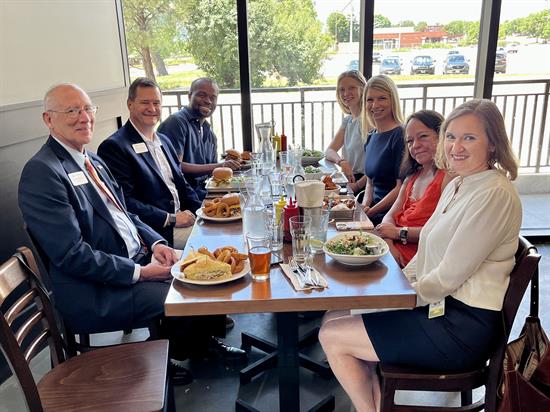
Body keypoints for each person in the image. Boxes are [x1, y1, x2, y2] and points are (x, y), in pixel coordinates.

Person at [18, 84, 246, 385]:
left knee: (203, 264)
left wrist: (157, 242)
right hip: (93, 290)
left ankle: (198, 346)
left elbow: (127, 214)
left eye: (88, 109)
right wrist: (140, 272)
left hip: (131, 257)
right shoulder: (43, 172)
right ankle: (174, 356)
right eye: (72, 111)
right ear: (48, 119)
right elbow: (71, 255)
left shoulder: (92, 160)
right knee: (188, 290)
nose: (83, 117)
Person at [319, 99, 522, 412]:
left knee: (333, 336)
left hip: (460, 326)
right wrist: (392, 289)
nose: (456, 147)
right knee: (337, 315)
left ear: (493, 143)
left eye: (470, 138)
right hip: (439, 308)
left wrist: (392, 299)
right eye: (451, 136)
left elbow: (447, 276)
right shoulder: (461, 184)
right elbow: (426, 254)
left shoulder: (493, 193)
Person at [98, 77, 201, 249]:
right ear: (130, 104)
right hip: (156, 231)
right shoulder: (115, 147)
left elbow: (181, 183)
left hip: (184, 218)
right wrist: (171, 218)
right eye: (145, 102)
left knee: (225, 225)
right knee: (215, 238)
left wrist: (204, 210)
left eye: (156, 103)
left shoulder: (165, 141)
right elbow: (125, 202)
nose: (152, 109)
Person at [375, 110, 453, 267]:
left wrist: (398, 233)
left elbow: (443, 232)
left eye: (423, 136)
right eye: (409, 141)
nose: (415, 145)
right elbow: (389, 217)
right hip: (391, 254)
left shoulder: (449, 178)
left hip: (418, 262)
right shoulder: (412, 177)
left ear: (442, 136)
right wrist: (389, 244)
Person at [157, 77, 240, 199]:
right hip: (185, 198)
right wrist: (218, 166)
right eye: (202, 95)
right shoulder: (176, 122)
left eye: (213, 97)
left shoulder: (209, 133)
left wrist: (228, 164)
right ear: (190, 96)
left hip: (206, 191)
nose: (208, 101)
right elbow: (174, 166)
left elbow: (211, 170)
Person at [360, 75, 405, 225]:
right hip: (373, 213)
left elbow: (401, 188)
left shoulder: (400, 135)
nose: (375, 105)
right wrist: (365, 207)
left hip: (391, 217)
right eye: (370, 100)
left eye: (382, 98)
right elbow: (370, 183)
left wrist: (372, 212)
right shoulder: (371, 136)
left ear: (393, 100)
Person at [324, 70, 367, 191]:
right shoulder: (348, 121)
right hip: (349, 179)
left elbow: (378, 164)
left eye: (351, 88)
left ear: (363, 89)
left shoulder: (368, 120)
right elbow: (329, 151)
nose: (346, 93)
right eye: (342, 89)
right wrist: (341, 161)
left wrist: (358, 185)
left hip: (363, 183)